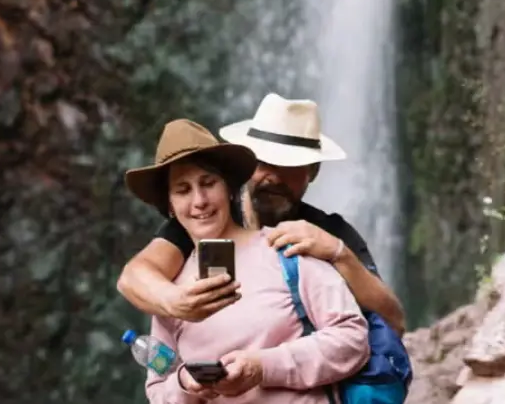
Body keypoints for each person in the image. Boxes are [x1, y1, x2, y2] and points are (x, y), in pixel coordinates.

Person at [116, 93, 406, 334]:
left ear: (313, 172)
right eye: (263, 162)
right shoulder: (207, 219)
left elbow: (394, 320)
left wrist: (339, 254)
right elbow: (134, 277)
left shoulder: (326, 230)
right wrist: (174, 301)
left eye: (289, 165)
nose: (272, 176)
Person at [125, 118, 370, 403]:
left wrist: (262, 367)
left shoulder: (285, 251)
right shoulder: (172, 293)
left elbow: (353, 339)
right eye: (183, 190)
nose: (200, 200)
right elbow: (158, 392)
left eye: (208, 183)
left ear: (229, 188)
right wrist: (184, 384)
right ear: (169, 204)